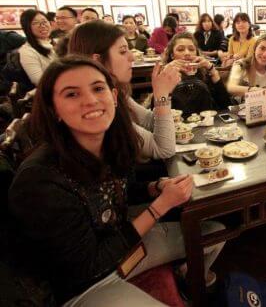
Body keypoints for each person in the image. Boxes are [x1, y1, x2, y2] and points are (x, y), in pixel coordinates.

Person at [8, 56, 224, 305]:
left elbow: (117, 190)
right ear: (53, 108)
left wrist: (155, 187)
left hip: (124, 246)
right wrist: (159, 207)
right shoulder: (40, 180)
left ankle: (183, 279)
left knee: (215, 233)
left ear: (112, 95)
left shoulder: (110, 141)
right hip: (81, 285)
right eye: (71, 94)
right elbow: (88, 265)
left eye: (98, 88)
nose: (90, 100)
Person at [68, 20, 179, 162]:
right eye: (122, 51)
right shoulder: (96, 104)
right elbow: (164, 149)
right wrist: (161, 95)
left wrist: (164, 91)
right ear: (97, 60)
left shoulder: (115, 90)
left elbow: (149, 121)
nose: (132, 57)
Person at [163, 32, 231, 114]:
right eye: (180, 49)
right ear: (172, 55)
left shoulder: (204, 74)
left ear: (197, 53)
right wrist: (164, 75)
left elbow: (225, 105)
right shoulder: (166, 76)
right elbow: (158, 112)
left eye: (191, 49)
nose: (187, 53)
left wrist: (212, 70)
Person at [227, 33, 266, 105]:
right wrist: (254, 90)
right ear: (255, 48)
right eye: (262, 48)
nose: (265, 54)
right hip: (241, 112)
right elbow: (231, 88)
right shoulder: (240, 65)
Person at [18, 9, 57, 86]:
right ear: (27, 28)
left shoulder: (57, 42)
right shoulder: (27, 51)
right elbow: (39, 81)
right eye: (35, 23)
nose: (42, 25)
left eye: (44, 21)